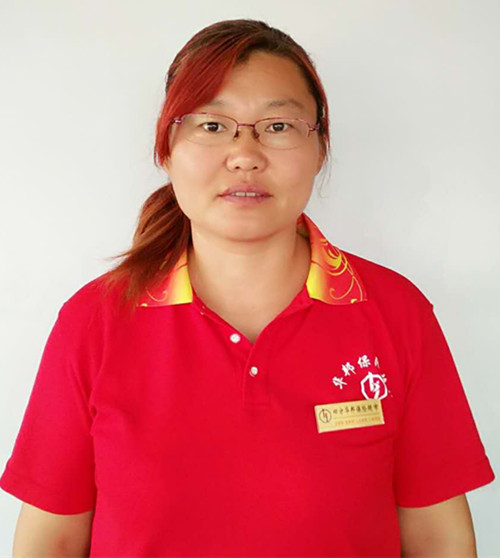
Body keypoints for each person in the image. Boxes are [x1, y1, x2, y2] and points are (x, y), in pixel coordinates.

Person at [0, 18, 495, 558]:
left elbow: (437, 537)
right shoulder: (97, 319)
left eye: (278, 125)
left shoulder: (395, 311)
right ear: (167, 148)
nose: (245, 155)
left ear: (320, 148)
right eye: (213, 125)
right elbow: (51, 540)